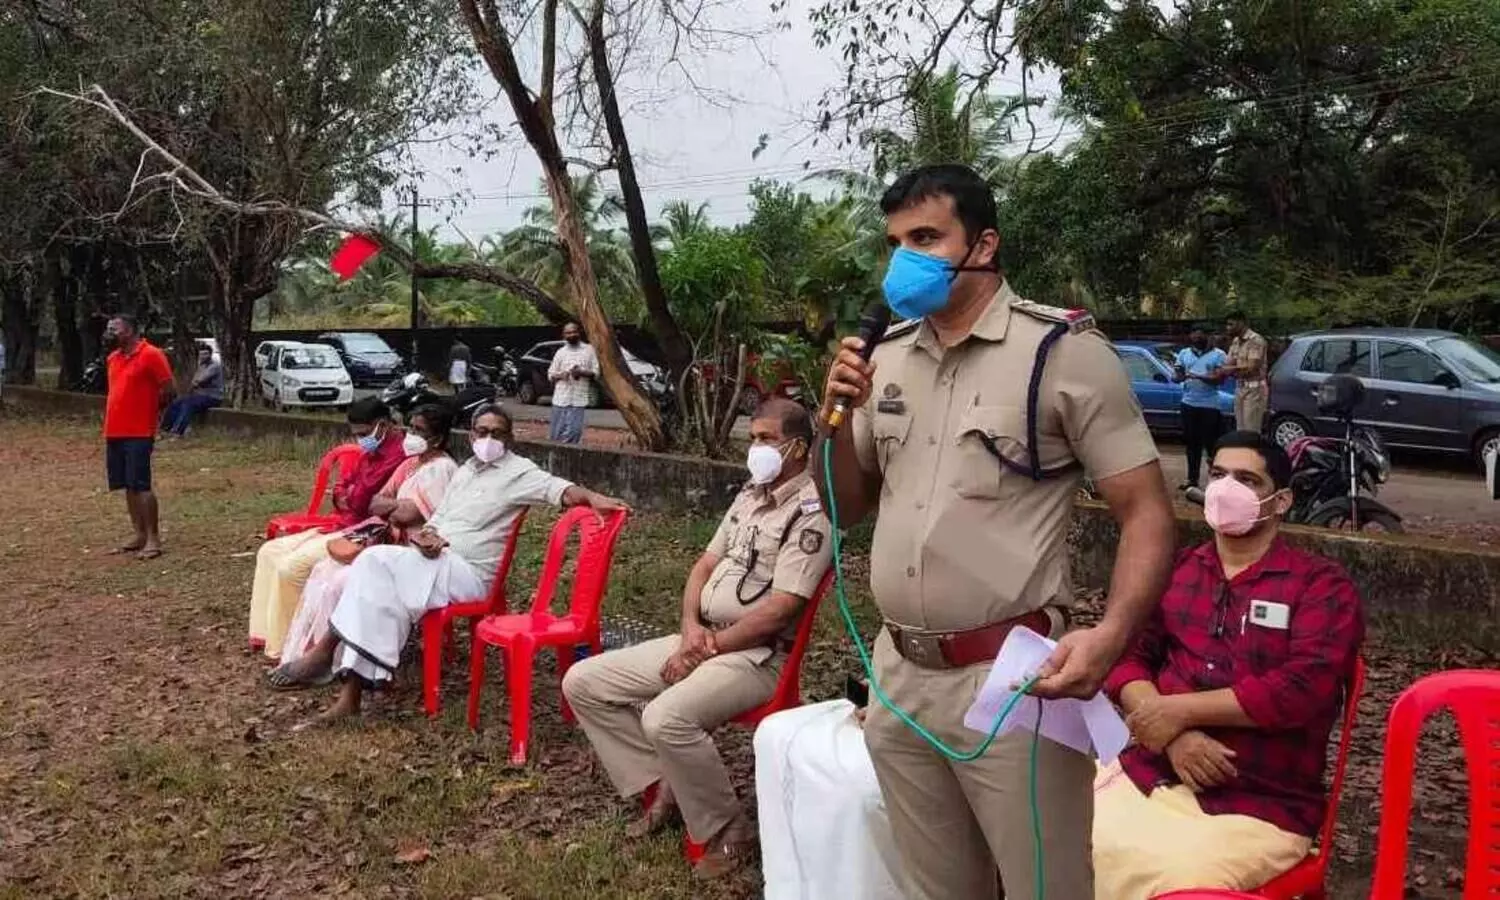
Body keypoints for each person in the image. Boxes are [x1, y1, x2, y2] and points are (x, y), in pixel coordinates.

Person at [815, 163, 1177, 900]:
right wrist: (837, 416)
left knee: (1046, 886)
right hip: (898, 676)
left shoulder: (1062, 354)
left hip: (1013, 679)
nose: (904, 260)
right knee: (937, 887)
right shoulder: (885, 359)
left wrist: (1109, 638)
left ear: (984, 244)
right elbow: (844, 508)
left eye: (925, 237)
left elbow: (1147, 512)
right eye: (894, 242)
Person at [563, 398, 833, 879]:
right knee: (583, 681)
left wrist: (705, 648)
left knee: (666, 718)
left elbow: (782, 609)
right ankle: (664, 781)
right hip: (701, 638)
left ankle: (731, 828)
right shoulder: (750, 493)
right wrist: (691, 628)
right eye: (752, 438)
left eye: (767, 439)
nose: (756, 448)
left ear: (798, 447)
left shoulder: (813, 512)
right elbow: (703, 567)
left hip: (756, 657)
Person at [1097, 431, 1364, 896]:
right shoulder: (1178, 570)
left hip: (1260, 801)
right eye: (1218, 475)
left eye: (1246, 479)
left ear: (1281, 501)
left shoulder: (1320, 587)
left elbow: (1301, 688)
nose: (1226, 489)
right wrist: (1173, 736)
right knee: (1055, 838)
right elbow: (1125, 660)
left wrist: (1178, 713)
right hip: (1151, 771)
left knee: (1175, 881)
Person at [280, 405, 627, 724]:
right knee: (378, 587)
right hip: (436, 558)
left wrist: (593, 497)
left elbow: (563, 490)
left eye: (497, 432)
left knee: (374, 561)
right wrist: (426, 537)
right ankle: (350, 695)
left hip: (470, 573)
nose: (488, 439)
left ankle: (328, 654)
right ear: (472, 435)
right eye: (482, 431)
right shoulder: (466, 471)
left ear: (509, 438)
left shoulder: (519, 473)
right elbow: (440, 517)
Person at [269, 404, 461, 685]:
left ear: (438, 438)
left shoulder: (442, 468)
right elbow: (375, 503)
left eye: (420, 430)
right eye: (411, 427)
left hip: (415, 555)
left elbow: (407, 514)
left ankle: (337, 662)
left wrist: (394, 509)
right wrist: (396, 508)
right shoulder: (410, 465)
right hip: (388, 543)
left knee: (341, 581)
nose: (411, 434)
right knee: (325, 570)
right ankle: (312, 655)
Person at [247, 398, 406, 659]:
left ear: (383, 425)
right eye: (356, 435)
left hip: (365, 532)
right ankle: (265, 636)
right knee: (269, 551)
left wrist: (350, 494)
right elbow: (344, 486)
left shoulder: (398, 455)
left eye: (364, 434)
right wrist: (345, 493)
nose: (360, 440)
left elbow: (363, 497)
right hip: (343, 522)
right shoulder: (371, 449)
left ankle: (291, 648)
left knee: (292, 568)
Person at [102, 314, 176, 560]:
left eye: (116, 327)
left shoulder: (151, 354)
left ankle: (154, 538)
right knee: (127, 485)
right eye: (109, 328)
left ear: (131, 330)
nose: (110, 331)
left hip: (139, 431)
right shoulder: (113, 358)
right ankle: (139, 533)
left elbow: (168, 389)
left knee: (141, 485)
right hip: (115, 430)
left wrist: (151, 412)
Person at [1174, 323, 1228, 490]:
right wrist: (1178, 376)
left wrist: (1196, 376)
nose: (1196, 338)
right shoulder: (1184, 353)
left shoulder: (1219, 355)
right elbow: (1178, 375)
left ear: (1207, 336)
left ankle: (1216, 481)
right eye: (1193, 335)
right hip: (1188, 403)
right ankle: (1192, 479)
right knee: (1192, 444)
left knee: (1212, 445)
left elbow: (1219, 380)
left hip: (1210, 406)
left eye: (1199, 335)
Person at [547, 322, 598, 443]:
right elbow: (550, 374)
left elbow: (596, 373)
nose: (571, 334)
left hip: (578, 400)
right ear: (564, 335)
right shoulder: (560, 352)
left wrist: (581, 372)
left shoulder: (589, 350)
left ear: (579, 333)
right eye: (568, 333)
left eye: (574, 331)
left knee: (574, 433)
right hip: (560, 399)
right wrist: (561, 375)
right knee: (556, 435)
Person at [159, 343, 224, 437]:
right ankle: (165, 429)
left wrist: (192, 388)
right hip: (200, 395)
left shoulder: (214, 366)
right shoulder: (201, 366)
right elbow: (194, 381)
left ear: (210, 354)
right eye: (201, 354)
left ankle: (177, 432)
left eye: (206, 354)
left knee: (188, 404)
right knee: (176, 403)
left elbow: (199, 381)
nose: (203, 356)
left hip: (213, 396)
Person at [1220, 312, 1269, 433]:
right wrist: (1229, 369)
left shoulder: (1255, 340)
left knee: (1251, 430)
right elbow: (1227, 363)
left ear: (1241, 323)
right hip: (1239, 387)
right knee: (1240, 430)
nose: (1228, 328)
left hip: (1254, 389)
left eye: (1231, 324)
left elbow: (1252, 367)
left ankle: (1252, 451)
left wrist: (1231, 369)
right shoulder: (1236, 341)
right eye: (1227, 324)